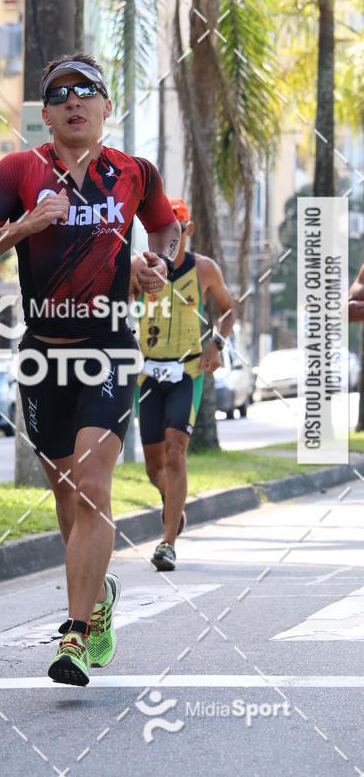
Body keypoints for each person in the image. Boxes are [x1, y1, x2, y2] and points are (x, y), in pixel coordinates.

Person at [0, 53, 180, 686]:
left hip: (107, 347)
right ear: (47, 112)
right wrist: (26, 223)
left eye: (88, 92)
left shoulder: (135, 173)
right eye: (60, 93)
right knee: (65, 494)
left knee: (92, 487)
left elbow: (163, 232)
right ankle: (99, 594)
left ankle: (76, 634)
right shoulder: (19, 170)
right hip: (41, 350)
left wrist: (155, 265)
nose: (74, 101)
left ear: (107, 107)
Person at [129, 198, 235, 571]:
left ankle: (167, 543)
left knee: (176, 452)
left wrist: (217, 342)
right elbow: (118, 307)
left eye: (175, 229)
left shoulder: (203, 270)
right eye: (159, 231)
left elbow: (229, 308)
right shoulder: (139, 270)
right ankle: (172, 502)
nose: (167, 237)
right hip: (147, 375)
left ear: (187, 231)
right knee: (154, 466)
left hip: (185, 374)